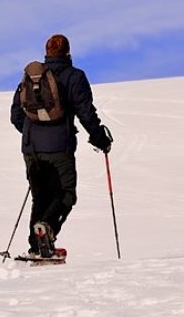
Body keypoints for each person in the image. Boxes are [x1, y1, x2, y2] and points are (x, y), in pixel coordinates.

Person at [10, 34, 112, 257]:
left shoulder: (31, 77)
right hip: (60, 148)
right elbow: (86, 112)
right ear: (68, 53)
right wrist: (99, 138)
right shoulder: (74, 77)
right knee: (66, 194)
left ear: (47, 53)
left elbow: (16, 115)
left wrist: (30, 135)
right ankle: (46, 229)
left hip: (30, 149)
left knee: (40, 195)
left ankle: (37, 246)